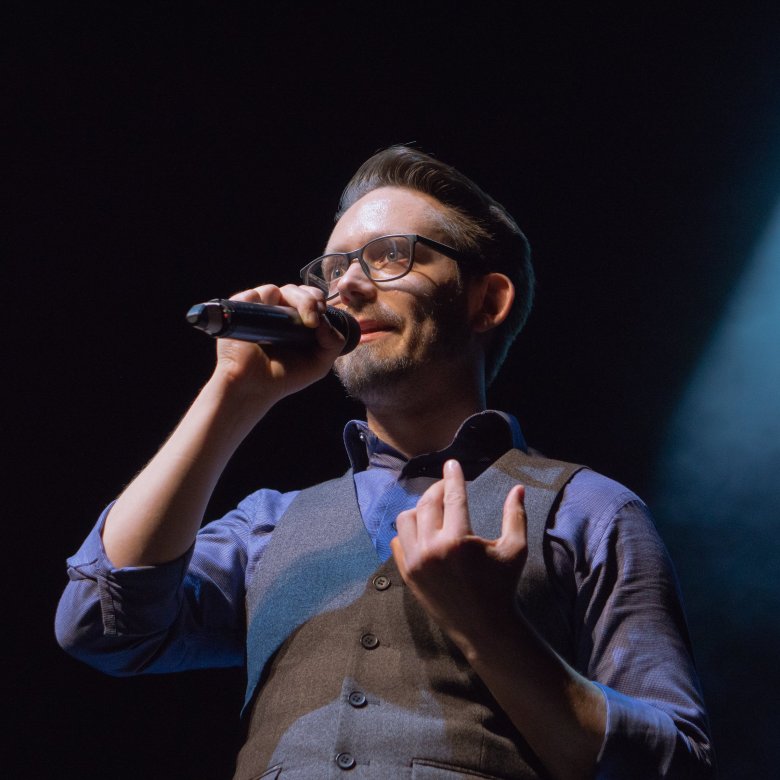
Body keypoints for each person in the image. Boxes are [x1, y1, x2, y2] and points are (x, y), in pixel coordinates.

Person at [56, 145, 715, 779]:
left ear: (488, 301)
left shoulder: (589, 511)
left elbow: (674, 763)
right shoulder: (269, 523)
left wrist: (490, 627)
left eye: (390, 256)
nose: (345, 286)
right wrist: (233, 392)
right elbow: (100, 624)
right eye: (334, 268)